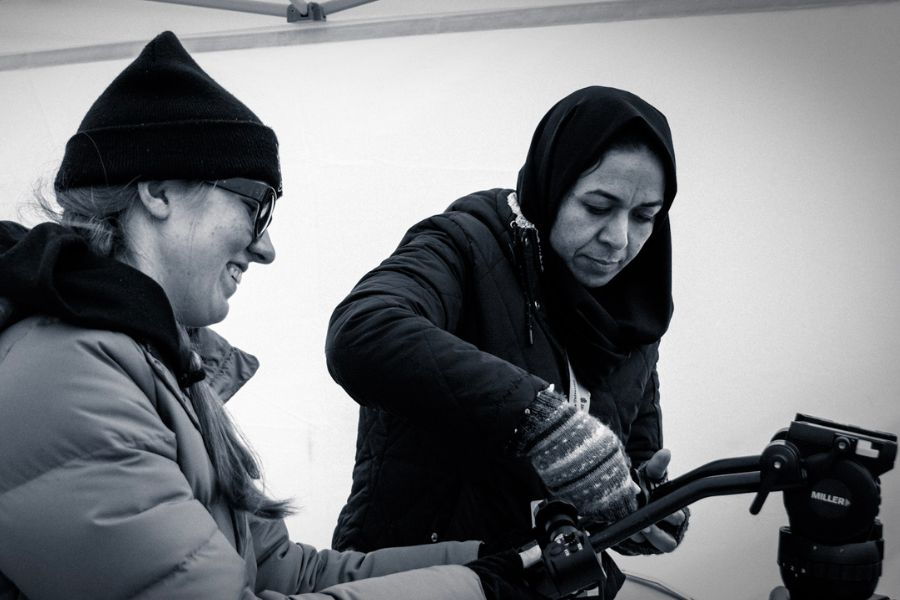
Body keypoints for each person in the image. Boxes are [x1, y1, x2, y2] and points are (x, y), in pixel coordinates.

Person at [0, 31, 544, 600]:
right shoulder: (66, 376)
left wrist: (506, 556)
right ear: (158, 191)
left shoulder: (153, 364)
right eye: (255, 206)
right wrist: (484, 590)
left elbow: (287, 574)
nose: (266, 248)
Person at [325, 86, 690, 594]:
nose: (619, 239)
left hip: (552, 582)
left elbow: (628, 457)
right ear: (553, 181)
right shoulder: (466, 243)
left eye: (645, 216)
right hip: (419, 579)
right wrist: (542, 423)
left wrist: (644, 510)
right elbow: (362, 332)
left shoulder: (634, 315)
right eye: (597, 206)